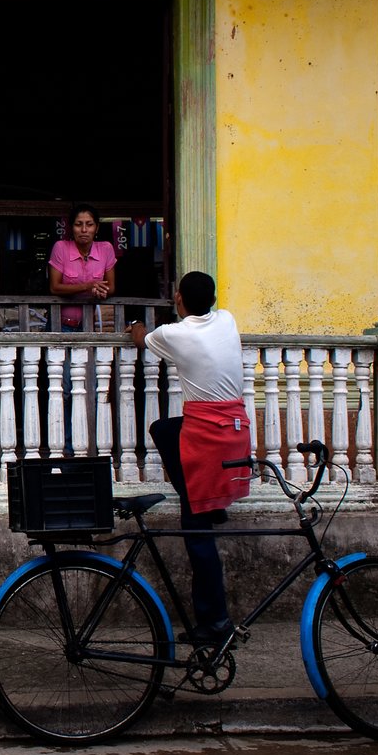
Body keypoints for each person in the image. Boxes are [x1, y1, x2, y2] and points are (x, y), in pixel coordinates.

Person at [128, 271, 252, 645]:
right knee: (164, 430)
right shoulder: (228, 321)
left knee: (197, 538)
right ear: (213, 299)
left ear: (178, 299)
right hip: (235, 431)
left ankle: (214, 623)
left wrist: (136, 322)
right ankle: (208, 505)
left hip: (206, 440)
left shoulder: (175, 334)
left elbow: (139, 339)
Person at [48, 203, 116, 332]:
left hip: (88, 325)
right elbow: (54, 287)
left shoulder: (106, 249)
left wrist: (101, 291)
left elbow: (111, 287)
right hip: (60, 325)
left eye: (89, 224)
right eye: (78, 224)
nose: (84, 230)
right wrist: (89, 286)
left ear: (97, 228)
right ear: (71, 228)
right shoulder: (61, 247)